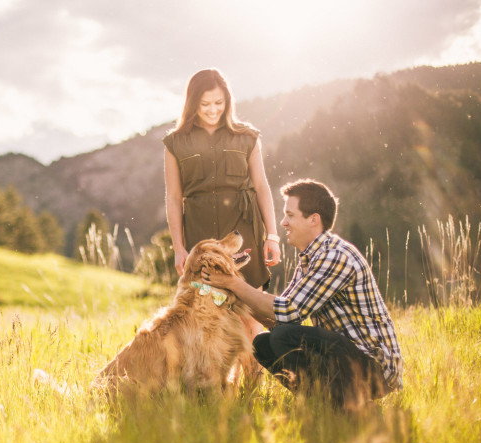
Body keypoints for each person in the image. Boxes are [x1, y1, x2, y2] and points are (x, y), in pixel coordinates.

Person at [201, 179, 404, 409]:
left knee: (283, 337)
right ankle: (326, 405)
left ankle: (346, 404)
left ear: (313, 219)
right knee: (263, 343)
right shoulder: (310, 259)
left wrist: (234, 283)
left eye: (290, 215)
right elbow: (277, 319)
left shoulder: (335, 256)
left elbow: (288, 312)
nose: (283, 222)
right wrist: (234, 296)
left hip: (374, 369)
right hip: (347, 357)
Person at [163, 68, 281, 284]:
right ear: (192, 103)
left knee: (250, 299)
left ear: (228, 101)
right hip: (200, 235)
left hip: (244, 230)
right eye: (205, 104)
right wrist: (178, 248)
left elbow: (262, 187)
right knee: (205, 303)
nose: (213, 110)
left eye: (219, 102)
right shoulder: (175, 142)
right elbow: (173, 198)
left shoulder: (246, 137)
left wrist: (271, 236)